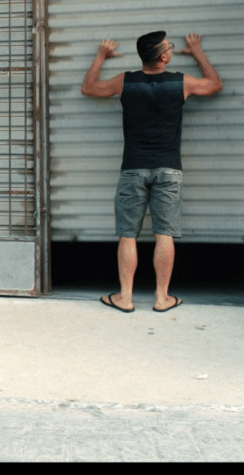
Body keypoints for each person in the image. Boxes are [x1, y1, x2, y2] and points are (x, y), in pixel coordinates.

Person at [80, 31, 223, 313]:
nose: (171, 49)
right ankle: (161, 298)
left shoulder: (125, 81)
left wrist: (100, 56)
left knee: (128, 235)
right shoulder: (180, 83)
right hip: (169, 169)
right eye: (169, 47)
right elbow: (215, 84)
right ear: (165, 57)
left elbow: (89, 88)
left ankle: (125, 297)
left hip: (133, 167)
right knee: (165, 234)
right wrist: (197, 52)